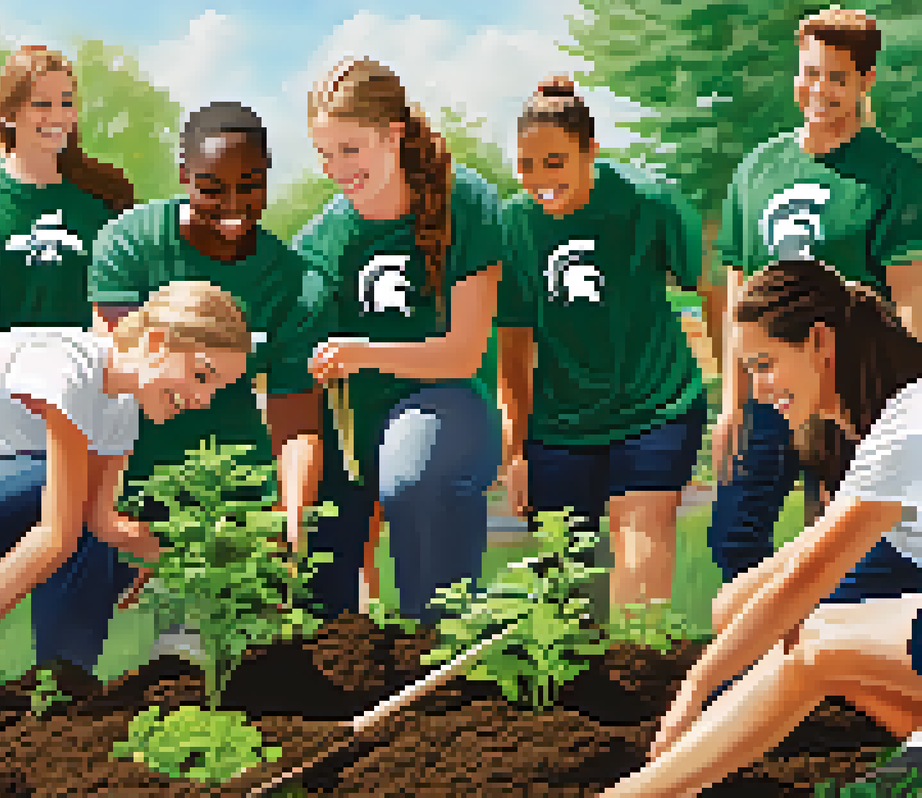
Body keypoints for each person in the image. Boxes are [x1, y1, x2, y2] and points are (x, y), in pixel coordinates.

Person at [600, 258, 922, 796]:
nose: (759, 387)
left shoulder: (906, 426)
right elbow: (803, 557)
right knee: (742, 607)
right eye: (749, 370)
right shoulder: (881, 425)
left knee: (812, 639)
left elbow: (805, 579)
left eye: (766, 363)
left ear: (821, 342)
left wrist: (696, 688)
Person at [0, 280, 249, 675]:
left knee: (91, 527)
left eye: (216, 389)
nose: (203, 399)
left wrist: (192, 567)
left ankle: (62, 689)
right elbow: (58, 531)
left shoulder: (121, 412)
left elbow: (101, 521)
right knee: (64, 496)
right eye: (202, 375)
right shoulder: (65, 365)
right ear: (157, 343)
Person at [88, 102, 330, 636]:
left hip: (235, 482)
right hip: (132, 470)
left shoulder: (295, 283)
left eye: (250, 185)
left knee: (237, 652)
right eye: (211, 187)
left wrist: (288, 522)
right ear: (182, 177)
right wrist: (119, 518)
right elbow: (117, 381)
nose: (234, 204)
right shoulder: (131, 244)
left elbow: (297, 426)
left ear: (268, 175)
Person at [708, 6, 922, 583]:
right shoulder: (757, 170)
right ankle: (754, 666)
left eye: (837, 77)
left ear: (865, 81)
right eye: (810, 73)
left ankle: (819, 664)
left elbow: (909, 305)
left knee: (838, 549)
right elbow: (738, 294)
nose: (819, 89)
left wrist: (892, 414)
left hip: (849, 392)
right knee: (733, 536)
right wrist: (732, 401)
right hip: (769, 388)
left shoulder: (894, 177)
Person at [294, 57, 504, 623]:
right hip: (353, 427)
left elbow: (463, 355)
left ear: (394, 135)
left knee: (413, 474)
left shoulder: (466, 204)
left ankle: (439, 647)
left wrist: (362, 353)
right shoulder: (322, 238)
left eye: (351, 150)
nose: (337, 169)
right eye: (325, 153)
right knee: (318, 533)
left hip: (447, 408)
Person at [497, 77, 713, 621]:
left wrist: (734, 388)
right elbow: (514, 344)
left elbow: (712, 286)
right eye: (525, 165)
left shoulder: (649, 202)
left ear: (590, 150)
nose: (539, 180)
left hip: (654, 408)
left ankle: (645, 692)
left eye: (554, 162)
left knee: (638, 571)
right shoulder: (514, 226)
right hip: (559, 424)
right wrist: (517, 450)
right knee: (566, 602)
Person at [0, 45, 135, 333]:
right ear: (9, 114)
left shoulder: (106, 195)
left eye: (66, 103)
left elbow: (125, 300)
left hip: (84, 371)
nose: (58, 117)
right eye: (42, 105)